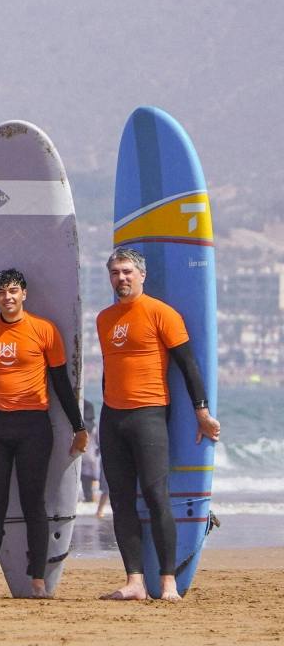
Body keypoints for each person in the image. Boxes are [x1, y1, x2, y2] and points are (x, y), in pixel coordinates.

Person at [95, 247, 221, 602]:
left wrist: (202, 412)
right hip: (113, 416)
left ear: (141, 275)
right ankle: (134, 581)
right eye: (115, 273)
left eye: (127, 272)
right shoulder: (104, 318)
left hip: (149, 414)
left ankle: (167, 582)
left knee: (155, 496)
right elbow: (110, 369)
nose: (121, 278)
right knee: (120, 501)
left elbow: (188, 366)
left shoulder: (161, 313)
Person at [0, 268, 89, 601]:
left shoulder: (44, 330)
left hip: (34, 426)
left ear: (24, 294)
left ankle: (37, 580)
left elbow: (62, 384)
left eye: (13, 291)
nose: (8, 297)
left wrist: (79, 427)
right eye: (2, 292)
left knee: (34, 503)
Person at [80, 402, 103, 507]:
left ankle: (88, 499)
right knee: (94, 480)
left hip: (82, 455)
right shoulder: (94, 427)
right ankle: (93, 499)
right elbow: (99, 442)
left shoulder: (80, 426)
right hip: (93, 456)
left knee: (85, 481)